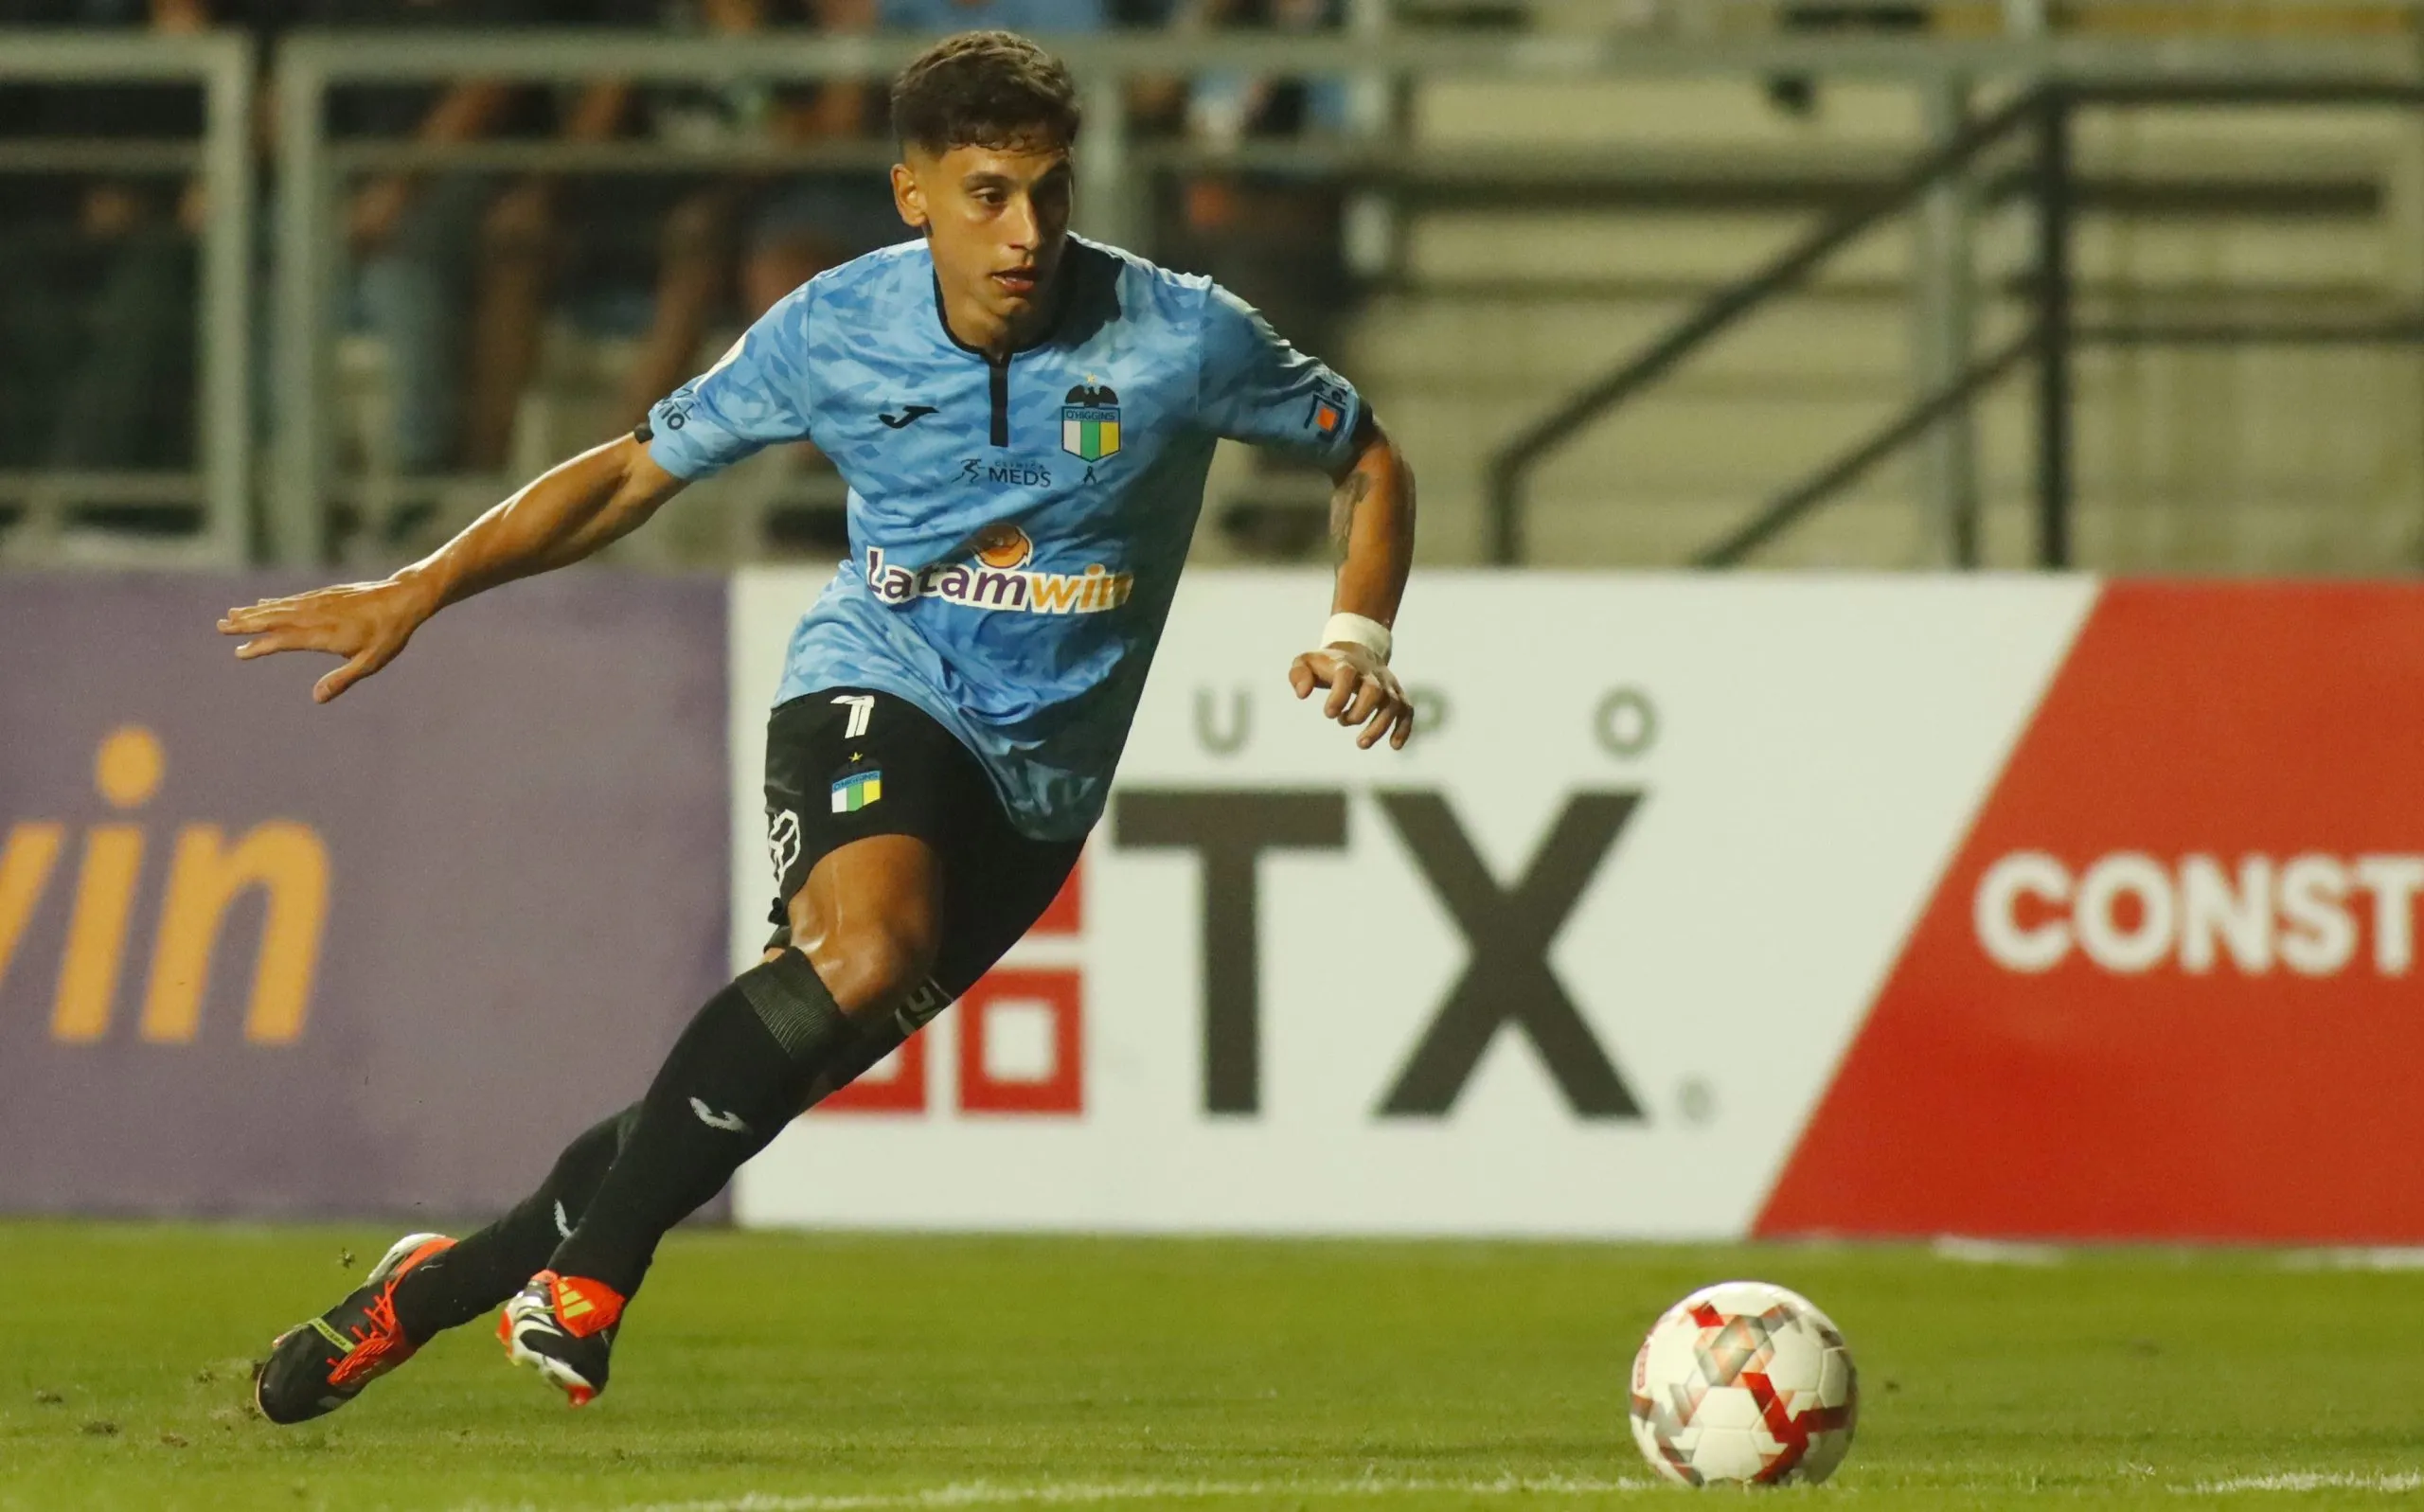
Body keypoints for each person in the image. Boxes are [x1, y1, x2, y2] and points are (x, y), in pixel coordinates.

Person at [223, 27, 1417, 1417]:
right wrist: (422, 587)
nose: (1025, 230)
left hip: (1039, 790)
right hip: (879, 680)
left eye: (1049, 190)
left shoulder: (1178, 333)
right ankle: (593, 1283)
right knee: (864, 947)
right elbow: (626, 478)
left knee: (758, 1072)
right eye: (987, 194)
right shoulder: (832, 329)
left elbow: (1366, 456)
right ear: (911, 194)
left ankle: (422, 1291)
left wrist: (1358, 632)